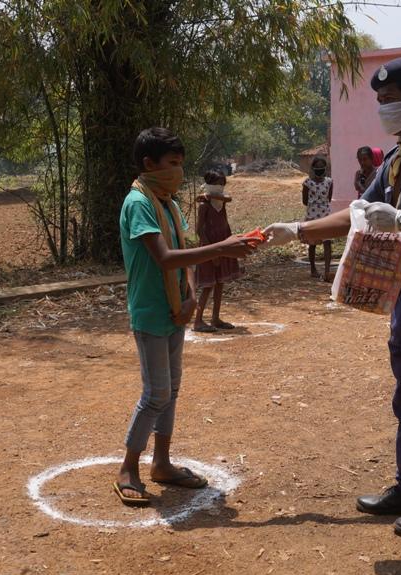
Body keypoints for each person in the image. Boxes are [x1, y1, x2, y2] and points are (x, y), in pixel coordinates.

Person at [264, 56, 401, 538]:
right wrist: (298, 230)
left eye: (389, 101)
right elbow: (360, 213)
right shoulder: (400, 155)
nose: (382, 109)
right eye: (381, 101)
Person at [115, 127, 257, 507]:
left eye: (181, 163)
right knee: (156, 393)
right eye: (173, 163)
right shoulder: (138, 203)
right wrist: (221, 248)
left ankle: (161, 462)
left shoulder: (169, 204)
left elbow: (183, 253)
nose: (179, 171)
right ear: (149, 164)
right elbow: (164, 258)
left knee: (171, 390)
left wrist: (191, 294)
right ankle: (128, 468)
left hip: (175, 309)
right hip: (150, 311)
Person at [193, 169, 243, 333]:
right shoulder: (204, 205)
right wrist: (211, 251)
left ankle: (215, 318)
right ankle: (198, 321)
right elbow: (199, 230)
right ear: (209, 184)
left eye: (222, 184)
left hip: (223, 244)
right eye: (217, 184)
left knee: (220, 283)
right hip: (209, 247)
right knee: (208, 286)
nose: (220, 187)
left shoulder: (220, 202)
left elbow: (228, 198)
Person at [302, 156, 334, 280]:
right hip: (312, 216)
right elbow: (305, 201)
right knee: (312, 244)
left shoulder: (329, 182)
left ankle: (327, 271)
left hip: (325, 216)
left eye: (321, 168)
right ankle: (313, 269)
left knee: (327, 243)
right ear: (313, 169)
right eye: (317, 168)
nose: (319, 170)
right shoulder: (307, 183)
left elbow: (329, 198)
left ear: (325, 169)